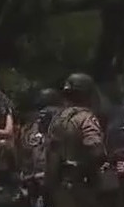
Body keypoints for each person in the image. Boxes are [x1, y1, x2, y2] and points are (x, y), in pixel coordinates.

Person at [44, 72, 109, 207]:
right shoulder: (85, 118)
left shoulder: (58, 118)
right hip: (80, 187)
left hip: (59, 189)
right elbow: (96, 150)